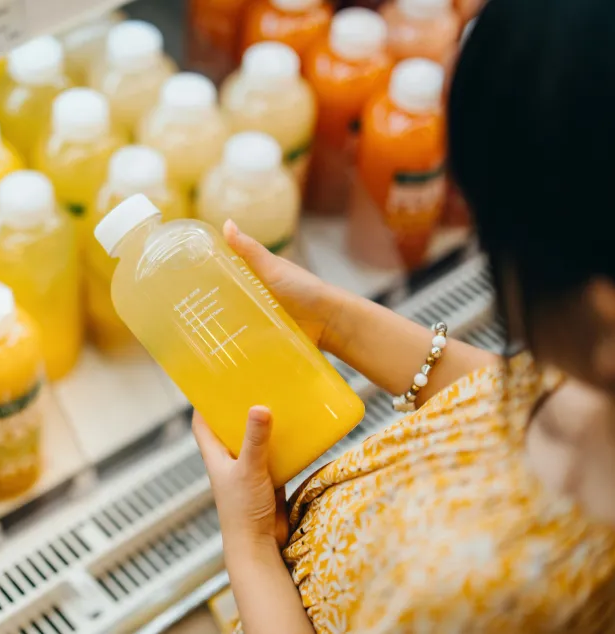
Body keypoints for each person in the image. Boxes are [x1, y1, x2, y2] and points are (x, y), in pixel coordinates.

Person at [194, 0, 615, 631]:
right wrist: (335, 319)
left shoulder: (494, 596)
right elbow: (512, 393)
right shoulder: (596, 377)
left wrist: (250, 548)